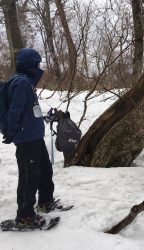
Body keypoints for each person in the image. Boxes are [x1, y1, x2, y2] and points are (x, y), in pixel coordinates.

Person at [2, 48, 61, 228]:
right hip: (26, 139)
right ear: (29, 65)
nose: (39, 67)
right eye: (37, 64)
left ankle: (45, 201)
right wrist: (10, 131)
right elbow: (15, 110)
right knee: (29, 176)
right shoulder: (20, 83)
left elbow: (28, 110)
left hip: (34, 136)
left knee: (44, 170)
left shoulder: (26, 82)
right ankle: (25, 217)